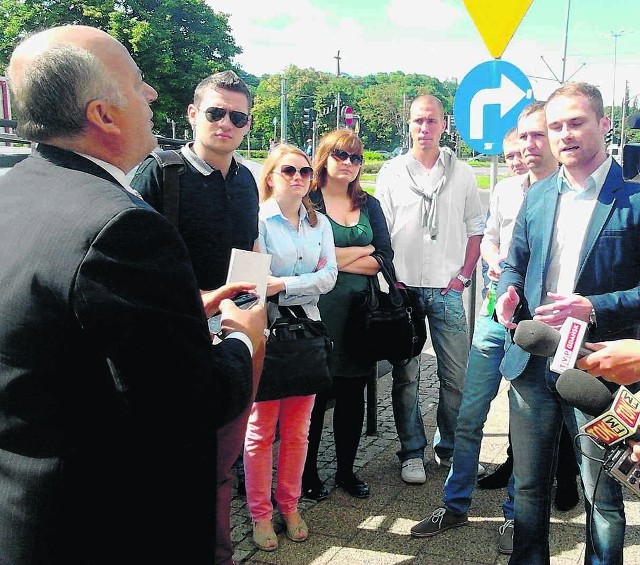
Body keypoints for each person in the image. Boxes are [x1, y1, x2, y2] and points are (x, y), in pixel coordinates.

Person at [0, 25, 266, 564]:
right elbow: (191, 403)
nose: (151, 96)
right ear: (102, 114)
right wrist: (244, 340)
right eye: (138, 82)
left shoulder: (13, 192)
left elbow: (60, 326)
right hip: (104, 525)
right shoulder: (121, 224)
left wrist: (180, 312)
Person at [411, 102, 579, 554]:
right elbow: (489, 237)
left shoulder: (568, 195)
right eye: (523, 137)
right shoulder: (506, 191)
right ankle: (455, 503)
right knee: (469, 416)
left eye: (537, 135)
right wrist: (492, 261)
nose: (528, 146)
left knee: (525, 428)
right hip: (491, 317)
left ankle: (514, 518)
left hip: (534, 328)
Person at [496, 82, 640, 564]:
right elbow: (515, 261)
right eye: (555, 126)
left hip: (598, 366)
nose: (564, 134)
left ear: (603, 124)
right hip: (534, 359)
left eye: (576, 122)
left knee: (602, 497)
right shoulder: (536, 196)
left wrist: (595, 307)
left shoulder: (634, 199)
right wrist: (506, 292)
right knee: (530, 488)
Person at [131, 70, 259, 565]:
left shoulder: (246, 179)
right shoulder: (161, 174)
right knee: (173, 460)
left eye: (238, 116)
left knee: (221, 461)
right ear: (192, 115)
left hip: (232, 331)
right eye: (215, 112)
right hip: (175, 333)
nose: (226, 123)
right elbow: (136, 264)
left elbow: (248, 251)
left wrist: (252, 315)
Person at [376, 94, 485, 484]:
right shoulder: (390, 172)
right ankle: (411, 452)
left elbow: (476, 227)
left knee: (456, 376)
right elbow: (381, 232)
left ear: (444, 125)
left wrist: (464, 275)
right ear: (409, 124)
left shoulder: (463, 173)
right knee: (406, 375)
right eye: (418, 121)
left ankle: (451, 447)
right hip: (403, 290)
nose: (425, 128)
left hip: (446, 288)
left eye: (432, 121)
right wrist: (391, 280)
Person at [244, 144, 337, 551]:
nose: (298, 177)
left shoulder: (319, 224)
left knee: (299, 430)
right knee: (260, 430)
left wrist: (284, 283)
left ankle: (290, 503)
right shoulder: (256, 221)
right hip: (267, 333)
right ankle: (259, 512)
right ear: (270, 176)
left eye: (304, 171)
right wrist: (299, 283)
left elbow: (330, 275)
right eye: (288, 170)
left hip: (307, 334)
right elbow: (254, 283)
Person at [302, 129, 393, 501]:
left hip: (359, 317)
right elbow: (307, 258)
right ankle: (306, 472)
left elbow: (384, 257)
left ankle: (345, 470)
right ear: (325, 155)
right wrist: (361, 250)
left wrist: (336, 260)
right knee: (314, 398)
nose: (349, 163)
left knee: (353, 394)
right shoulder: (308, 200)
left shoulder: (368, 203)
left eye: (356, 158)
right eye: (342, 155)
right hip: (315, 313)